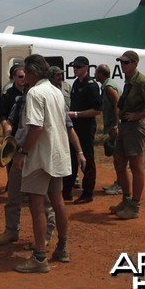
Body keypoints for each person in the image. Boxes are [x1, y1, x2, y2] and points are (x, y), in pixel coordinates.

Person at [13, 54, 71, 274]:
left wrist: (23, 152)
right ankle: (62, 248)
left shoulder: (35, 93)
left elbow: (36, 127)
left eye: (26, 72)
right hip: (57, 154)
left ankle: (39, 257)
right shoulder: (56, 91)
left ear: (33, 73)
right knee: (57, 200)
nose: (24, 76)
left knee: (36, 204)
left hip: (39, 156)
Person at [110, 50, 145, 220]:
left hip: (134, 127)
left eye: (126, 63)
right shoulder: (129, 80)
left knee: (135, 165)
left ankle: (135, 206)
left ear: (135, 63)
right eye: (121, 62)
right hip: (125, 126)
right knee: (119, 161)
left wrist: (138, 115)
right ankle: (126, 199)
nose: (123, 65)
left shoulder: (141, 81)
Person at [62, 56, 102, 204]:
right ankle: (66, 191)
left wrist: (76, 114)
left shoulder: (91, 85)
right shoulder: (76, 83)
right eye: (74, 66)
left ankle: (88, 192)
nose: (75, 69)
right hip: (75, 126)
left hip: (85, 127)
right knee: (71, 157)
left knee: (86, 159)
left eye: (78, 67)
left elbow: (97, 110)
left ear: (86, 67)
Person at [95, 64, 122, 195]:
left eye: (96, 72)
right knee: (116, 155)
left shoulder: (109, 87)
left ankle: (121, 184)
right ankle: (119, 182)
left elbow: (118, 105)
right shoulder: (106, 86)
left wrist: (116, 125)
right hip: (114, 125)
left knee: (118, 156)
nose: (94, 74)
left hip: (117, 126)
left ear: (101, 74)